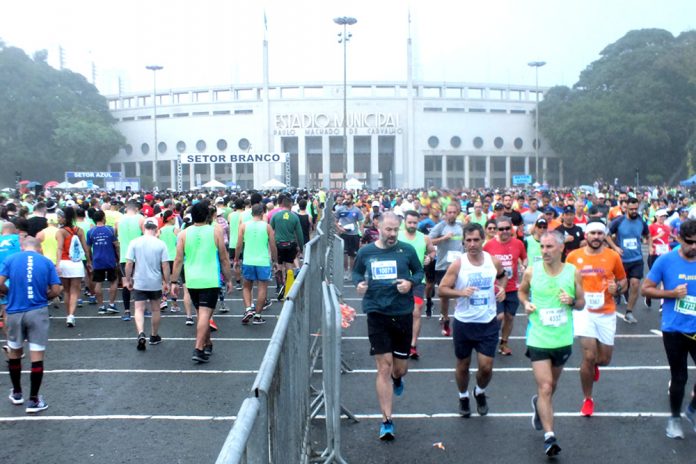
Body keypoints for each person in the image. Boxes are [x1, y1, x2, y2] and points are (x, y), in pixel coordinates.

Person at [352, 212, 424, 441]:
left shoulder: (407, 250)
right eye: (388, 229)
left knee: (398, 368)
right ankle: (386, 421)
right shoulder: (366, 252)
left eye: (396, 230)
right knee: (383, 366)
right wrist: (359, 284)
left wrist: (410, 282)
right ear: (378, 227)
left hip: (402, 313)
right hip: (376, 312)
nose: (392, 234)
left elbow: (420, 272)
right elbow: (355, 272)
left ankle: (398, 378)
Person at [518, 230, 585, 457]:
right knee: (546, 386)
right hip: (538, 336)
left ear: (560, 249)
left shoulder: (572, 272)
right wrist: (526, 304)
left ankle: (539, 404)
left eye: (549, 247)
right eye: (542, 247)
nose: (544, 251)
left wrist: (572, 300)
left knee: (551, 387)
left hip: (562, 338)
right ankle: (550, 437)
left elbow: (582, 303)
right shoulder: (531, 271)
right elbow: (521, 292)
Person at [438, 223, 507, 417]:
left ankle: (480, 391)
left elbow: (503, 277)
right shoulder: (459, 264)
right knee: (463, 364)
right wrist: (460, 292)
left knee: (486, 367)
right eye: (468, 240)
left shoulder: (493, 261)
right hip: (464, 323)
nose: (472, 244)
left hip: (488, 323)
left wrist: (501, 288)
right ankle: (463, 396)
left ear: (483, 240)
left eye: (476, 239)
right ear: (463, 242)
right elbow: (442, 289)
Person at [641, 219, 696, 440]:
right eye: (690, 242)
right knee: (679, 377)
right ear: (679, 239)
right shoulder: (665, 261)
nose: (694, 247)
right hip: (674, 328)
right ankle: (674, 418)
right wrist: (671, 294)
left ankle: (691, 410)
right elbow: (646, 289)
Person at [566, 220, 627, 416]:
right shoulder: (573, 257)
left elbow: (623, 281)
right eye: (592, 233)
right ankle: (588, 399)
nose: (596, 237)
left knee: (604, 359)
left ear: (605, 236)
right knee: (589, 356)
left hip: (606, 311)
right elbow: (565, 280)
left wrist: (617, 288)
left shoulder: (613, 256)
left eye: (600, 234)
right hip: (583, 311)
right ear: (586, 235)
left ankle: (595, 367)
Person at [0, 237, 62, 413]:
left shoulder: (11, 259)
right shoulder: (46, 262)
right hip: (37, 311)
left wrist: (8, 292)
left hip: (14, 311)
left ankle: (17, 393)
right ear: (39, 248)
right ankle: (34, 399)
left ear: (22, 247)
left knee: (15, 351)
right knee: (36, 355)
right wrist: (45, 297)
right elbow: (56, 289)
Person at [171, 202, 234, 363]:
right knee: (205, 314)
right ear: (207, 215)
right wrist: (228, 279)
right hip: (210, 278)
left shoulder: (184, 234)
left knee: (201, 313)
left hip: (192, 280)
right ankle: (198, 348)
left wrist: (173, 281)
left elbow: (178, 260)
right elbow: (224, 258)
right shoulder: (215, 231)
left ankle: (207, 343)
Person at [124, 218, 170, 351]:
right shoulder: (161, 244)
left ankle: (140, 333)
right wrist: (166, 281)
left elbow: (129, 263)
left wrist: (128, 279)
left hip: (139, 280)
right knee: (156, 309)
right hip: (155, 281)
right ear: (155, 229)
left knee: (139, 309)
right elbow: (165, 265)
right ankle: (154, 335)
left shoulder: (135, 242)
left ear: (143, 229)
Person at [483, 216, 527, 356]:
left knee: (509, 317)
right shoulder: (489, 245)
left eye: (507, 228)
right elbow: (482, 262)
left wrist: (523, 265)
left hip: (512, 287)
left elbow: (524, 257)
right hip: (495, 287)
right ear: (496, 230)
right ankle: (490, 338)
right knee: (499, 316)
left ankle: (504, 342)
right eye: (501, 229)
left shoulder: (518, 243)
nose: (504, 231)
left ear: (511, 228)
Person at [606, 197, 650, 323]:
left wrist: (650, 245)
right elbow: (606, 235)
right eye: (631, 209)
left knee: (635, 285)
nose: (634, 211)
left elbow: (648, 234)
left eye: (636, 209)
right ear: (626, 209)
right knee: (621, 287)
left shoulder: (641, 222)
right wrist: (615, 248)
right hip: (622, 260)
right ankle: (615, 296)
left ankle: (629, 312)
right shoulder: (618, 221)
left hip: (637, 259)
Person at [398, 210, 435, 360]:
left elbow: (432, 252)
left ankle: (412, 345)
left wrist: (429, 258)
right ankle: (400, 341)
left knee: (416, 311)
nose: (412, 225)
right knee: (400, 313)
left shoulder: (424, 238)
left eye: (415, 223)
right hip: (399, 280)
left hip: (418, 281)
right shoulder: (397, 236)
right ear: (404, 222)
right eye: (410, 222)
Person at [235, 203, 278, 325]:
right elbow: (273, 246)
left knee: (247, 287)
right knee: (262, 288)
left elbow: (239, 245)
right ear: (262, 213)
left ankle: (248, 309)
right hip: (263, 261)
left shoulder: (243, 226)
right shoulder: (267, 227)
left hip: (248, 260)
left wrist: (236, 259)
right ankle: (258, 315)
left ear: (251, 213)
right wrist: (275, 261)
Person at [429, 202, 463, 337]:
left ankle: (460, 320)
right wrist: (444, 238)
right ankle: (445, 318)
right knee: (444, 295)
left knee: (458, 294)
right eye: (449, 212)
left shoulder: (461, 226)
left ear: (457, 213)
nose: (452, 215)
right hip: (443, 266)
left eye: (454, 212)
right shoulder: (440, 226)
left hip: (460, 265)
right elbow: (429, 241)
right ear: (445, 213)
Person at [55, 207, 92, 328]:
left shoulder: (60, 232)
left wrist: (58, 263)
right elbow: (86, 248)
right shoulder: (79, 230)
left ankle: (68, 314)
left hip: (65, 262)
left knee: (66, 290)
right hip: (76, 263)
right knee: (75, 291)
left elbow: (59, 248)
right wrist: (89, 261)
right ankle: (71, 315)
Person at [270, 195, 304, 300]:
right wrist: (301, 248)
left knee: (278, 266)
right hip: (290, 244)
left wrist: (270, 248)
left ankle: (279, 286)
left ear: (281, 204)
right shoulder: (294, 216)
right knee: (289, 266)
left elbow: (270, 231)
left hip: (278, 244)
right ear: (290, 205)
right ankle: (288, 288)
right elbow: (299, 234)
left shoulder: (275, 216)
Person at [115, 201, 144, 322]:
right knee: (140, 282)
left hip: (124, 256)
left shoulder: (119, 220)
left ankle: (127, 311)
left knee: (126, 282)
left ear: (126, 209)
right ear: (136, 209)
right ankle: (141, 309)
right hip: (139, 255)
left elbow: (115, 237)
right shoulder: (141, 218)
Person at [86, 210, 120, 315]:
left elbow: (88, 248)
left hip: (97, 260)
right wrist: (118, 258)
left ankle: (101, 306)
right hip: (110, 259)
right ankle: (111, 304)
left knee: (98, 282)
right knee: (114, 281)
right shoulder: (110, 230)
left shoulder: (90, 232)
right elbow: (116, 245)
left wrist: (89, 260)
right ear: (103, 218)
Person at [335, 196, 364, 278]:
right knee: (344, 254)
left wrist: (362, 235)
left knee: (352, 255)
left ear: (352, 200)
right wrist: (340, 228)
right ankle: (345, 271)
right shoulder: (340, 209)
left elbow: (361, 223)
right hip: (344, 235)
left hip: (354, 235)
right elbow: (335, 221)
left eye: (348, 199)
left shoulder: (357, 210)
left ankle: (351, 272)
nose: (346, 200)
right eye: (345, 198)